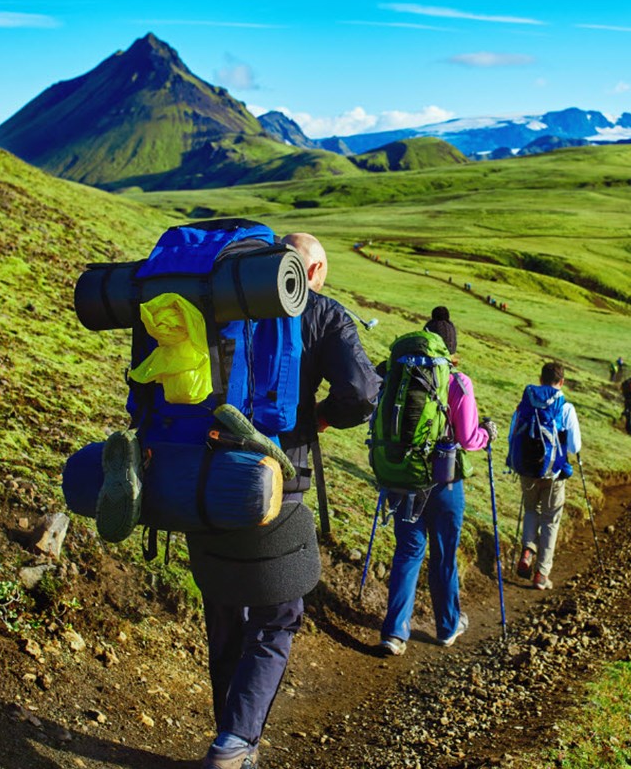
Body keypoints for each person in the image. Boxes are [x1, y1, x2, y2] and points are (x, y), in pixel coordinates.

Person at [188, 231, 380, 769]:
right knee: (278, 614)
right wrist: (320, 417)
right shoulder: (322, 312)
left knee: (224, 607)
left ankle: (230, 734)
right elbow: (362, 392)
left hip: (204, 475)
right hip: (277, 481)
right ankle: (234, 743)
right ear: (312, 272)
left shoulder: (220, 297)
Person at [379, 306, 497, 657]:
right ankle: (447, 626)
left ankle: (394, 633)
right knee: (444, 555)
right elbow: (469, 439)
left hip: (402, 476)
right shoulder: (457, 382)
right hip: (444, 483)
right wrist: (487, 434)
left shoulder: (399, 374)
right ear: (451, 349)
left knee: (408, 551)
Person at [511, 361, 581, 591]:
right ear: (562, 382)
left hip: (527, 469)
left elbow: (513, 433)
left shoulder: (526, 401)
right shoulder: (565, 407)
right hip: (554, 473)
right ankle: (541, 574)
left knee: (531, 509)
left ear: (540, 379)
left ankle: (528, 550)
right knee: (550, 519)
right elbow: (574, 446)